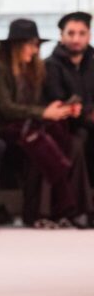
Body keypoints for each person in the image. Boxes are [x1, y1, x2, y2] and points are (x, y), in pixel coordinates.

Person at [0, 18, 90, 228]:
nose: (35, 50)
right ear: (17, 45)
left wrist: (61, 109)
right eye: (31, 44)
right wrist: (43, 113)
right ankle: (42, 211)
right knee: (41, 143)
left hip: (29, 125)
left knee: (71, 142)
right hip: (5, 129)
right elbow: (6, 109)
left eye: (37, 45)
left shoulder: (33, 69)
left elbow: (37, 105)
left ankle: (76, 209)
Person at [44, 11, 94, 182]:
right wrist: (87, 113)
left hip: (88, 121)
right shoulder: (51, 65)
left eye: (81, 33)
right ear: (61, 36)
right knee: (79, 140)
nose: (76, 39)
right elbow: (58, 100)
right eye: (71, 33)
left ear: (89, 36)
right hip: (67, 125)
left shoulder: (92, 62)